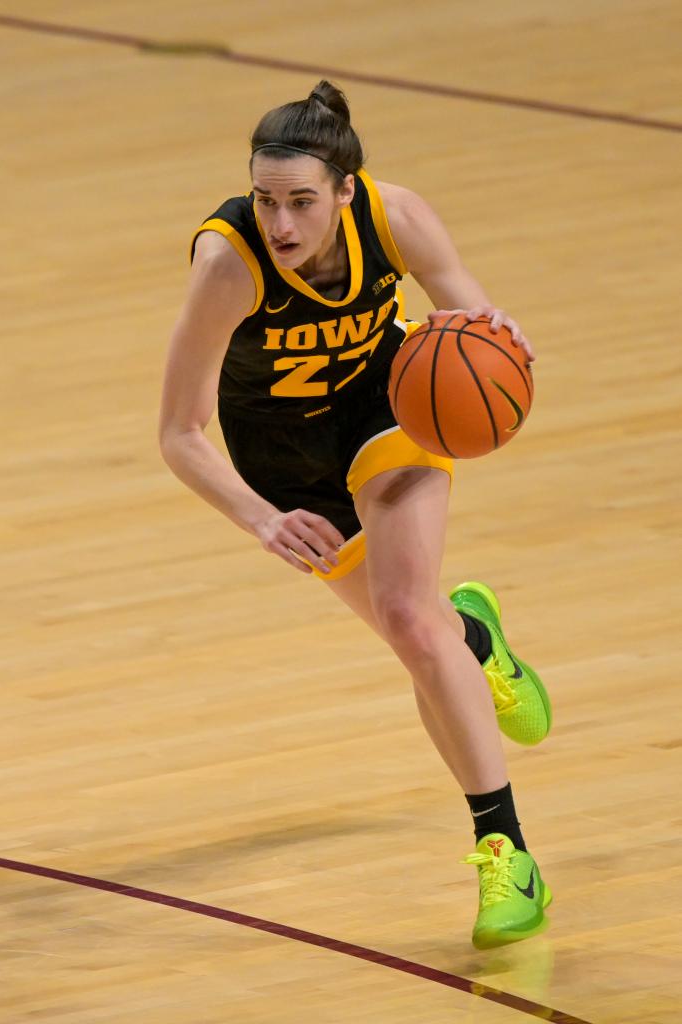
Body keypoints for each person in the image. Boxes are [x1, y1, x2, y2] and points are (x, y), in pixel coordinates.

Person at [159, 80, 553, 949]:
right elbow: (179, 432)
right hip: (284, 462)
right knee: (419, 636)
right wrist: (260, 518)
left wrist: (495, 337)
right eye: (265, 200)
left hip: (388, 413)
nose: (281, 224)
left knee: (411, 625)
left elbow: (467, 313)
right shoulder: (230, 264)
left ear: (347, 189)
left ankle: (505, 847)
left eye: (301, 201)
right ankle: (476, 638)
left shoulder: (396, 217)